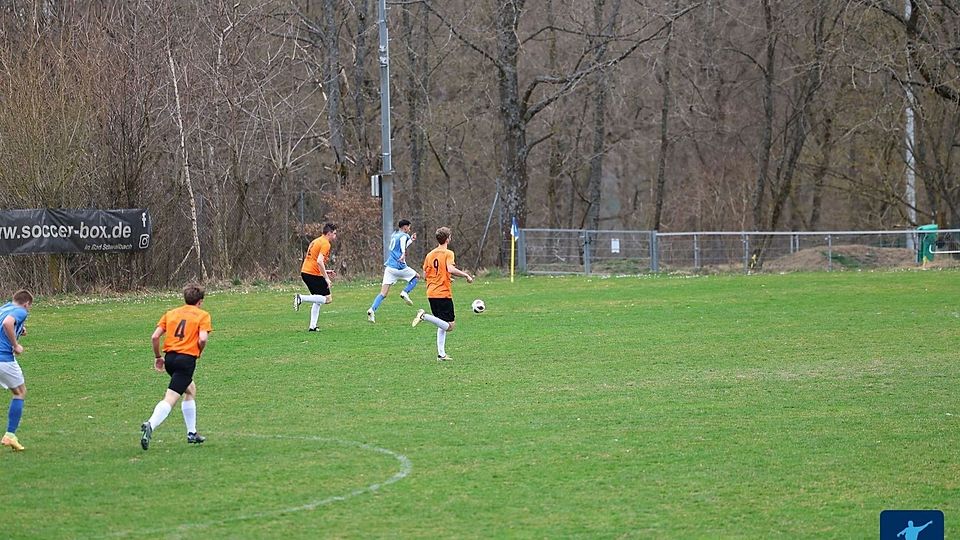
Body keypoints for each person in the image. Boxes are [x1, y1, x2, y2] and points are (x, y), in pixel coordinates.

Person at [140, 283, 212, 450]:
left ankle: (192, 433)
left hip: (170, 359)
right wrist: (199, 351)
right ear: (200, 301)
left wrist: (158, 357)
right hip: (185, 361)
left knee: (190, 389)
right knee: (171, 397)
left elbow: (155, 337)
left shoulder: (171, 313)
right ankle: (151, 424)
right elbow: (202, 339)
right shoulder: (203, 315)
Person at [412, 227, 473, 360]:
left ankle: (441, 354)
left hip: (431, 293)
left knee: (442, 323)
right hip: (443, 293)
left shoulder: (430, 254)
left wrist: (446, 277)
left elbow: (425, 275)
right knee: (450, 326)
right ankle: (424, 316)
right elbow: (450, 268)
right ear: (448, 239)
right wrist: (466, 275)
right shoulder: (448, 253)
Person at [367, 219, 420, 323]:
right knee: (416, 277)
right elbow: (402, 245)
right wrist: (403, 254)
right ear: (405, 227)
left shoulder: (395, 235)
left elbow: (400, 245)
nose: (409, 229)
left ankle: (372, 310)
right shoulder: (403, 236)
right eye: (409, 227)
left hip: (389, 268)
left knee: (383, 293)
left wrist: (411, 240)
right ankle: (405, 292)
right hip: (399, 266)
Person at [0, 290, 33, 451]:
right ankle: (10, 435)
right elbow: (7, 323)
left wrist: (19, 329)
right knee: (20, 392)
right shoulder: (21, 311)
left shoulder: (4, 307)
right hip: (3, 359)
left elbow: (5, 322)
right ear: (26, 304)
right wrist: (15, 345)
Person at [294, 223, 338, 331]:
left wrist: (325, 271)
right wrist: (326, 278)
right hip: (312, 273)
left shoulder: (316, 241)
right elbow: (319, 261)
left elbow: (313, 260)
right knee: (327, 299)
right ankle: (301, 298)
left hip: (306, 272)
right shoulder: (326, 243)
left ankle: (312, 326)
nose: (335, 236)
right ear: (329, 233)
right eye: (334, 233)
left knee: (317, 299)